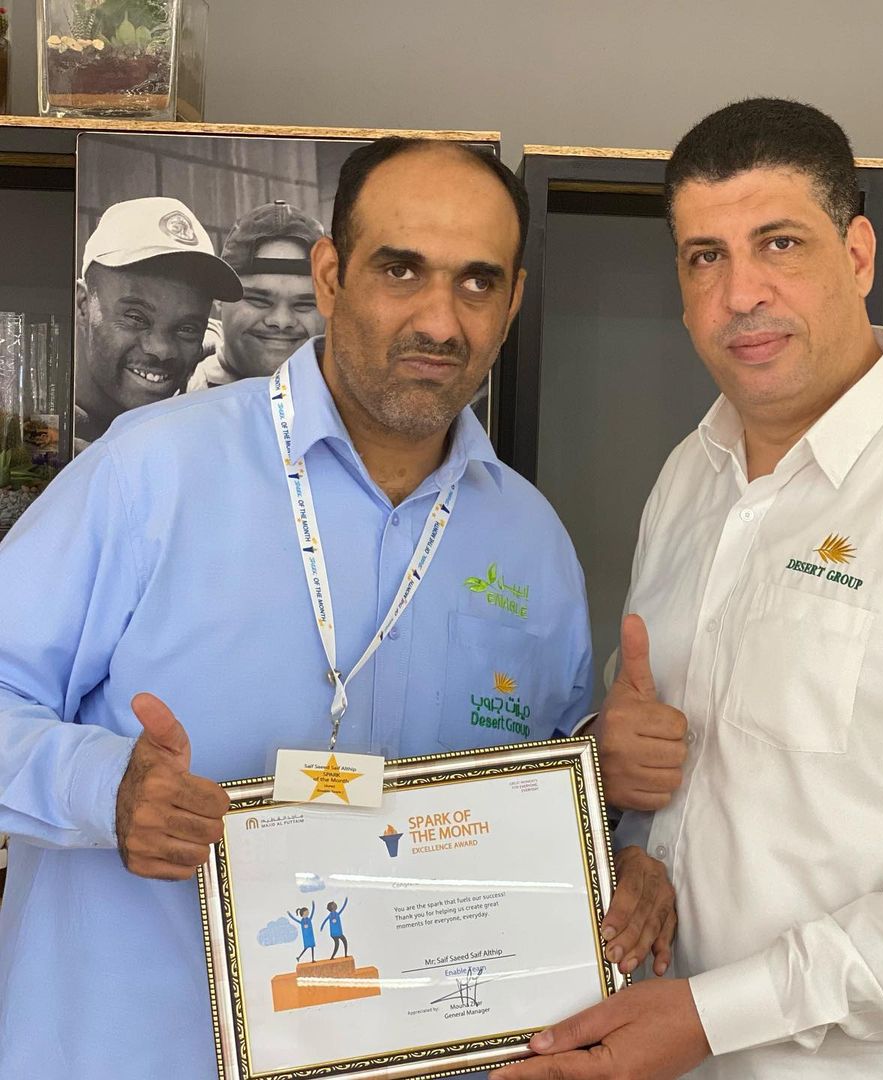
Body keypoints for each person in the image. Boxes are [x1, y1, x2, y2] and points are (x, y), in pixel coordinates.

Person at [0, 138, 670, 1079]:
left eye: (477, 282)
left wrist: (613, 818)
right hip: (138, 1050)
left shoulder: (531, 542)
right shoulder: (149, 472)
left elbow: (541, 789)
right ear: (330, 275)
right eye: (401, 270)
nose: (439, 319)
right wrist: (100, 787)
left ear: (514, 301)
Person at [498, 99, 883, 1080]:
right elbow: (699, 787)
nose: (741, 293)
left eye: (780, 244)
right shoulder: (689, 478)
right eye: (705, 257)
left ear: (857, 255)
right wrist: (633, 829)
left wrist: (721, 1013)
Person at [73, 195, 242, 447]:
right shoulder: (31, 429)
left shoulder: (196, 419)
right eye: (136, 318)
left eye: (186, 328)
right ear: (82, 305)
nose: (162, 350)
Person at [187, 200, 326, 390]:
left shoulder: (351, 400)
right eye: (258, 300)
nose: (281, 321)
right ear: (219, 297)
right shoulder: (176, 394)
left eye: (305, 304)